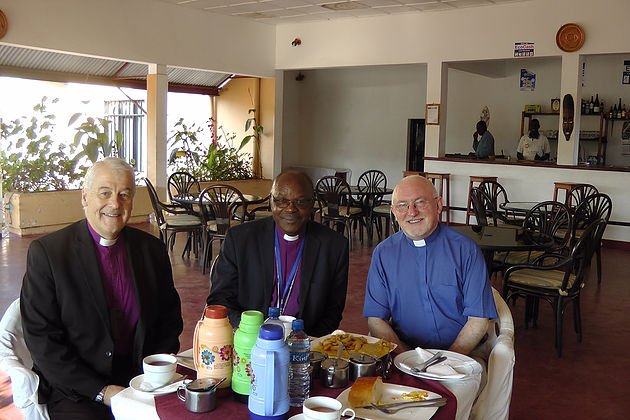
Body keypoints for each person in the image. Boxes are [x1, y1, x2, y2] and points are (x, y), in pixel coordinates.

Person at [20, 158, 183, 420]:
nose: (115, 204)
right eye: (104, 193)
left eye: (124, 195)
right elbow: (43, 342)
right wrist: (102, 391)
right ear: (85, 197)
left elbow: (169, 319)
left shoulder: (151, 250)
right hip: (76, 388)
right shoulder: (49, 254)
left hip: (139, 379)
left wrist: (154, 373)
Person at [363, 175, 497, 355]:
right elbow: (376, 319)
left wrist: (444, 362)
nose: (412, 212)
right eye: (403, 205)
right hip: (403, 350)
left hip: (463, 352)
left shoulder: (466, 250)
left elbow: (479, 320)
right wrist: (403, 358)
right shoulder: (383, 254)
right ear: (394, 212)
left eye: (420, 202)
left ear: (438, 205)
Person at [207, 170, 349, 337]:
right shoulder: (240, 240)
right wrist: (250, 333)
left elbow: (333, 311)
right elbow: (220, 299)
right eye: (281, 200)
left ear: (312, 204)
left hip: (304, 345)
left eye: (300, 202)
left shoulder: (334, 246)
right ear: (271, 201)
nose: (290, 209)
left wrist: (304, 342)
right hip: (248, 340)